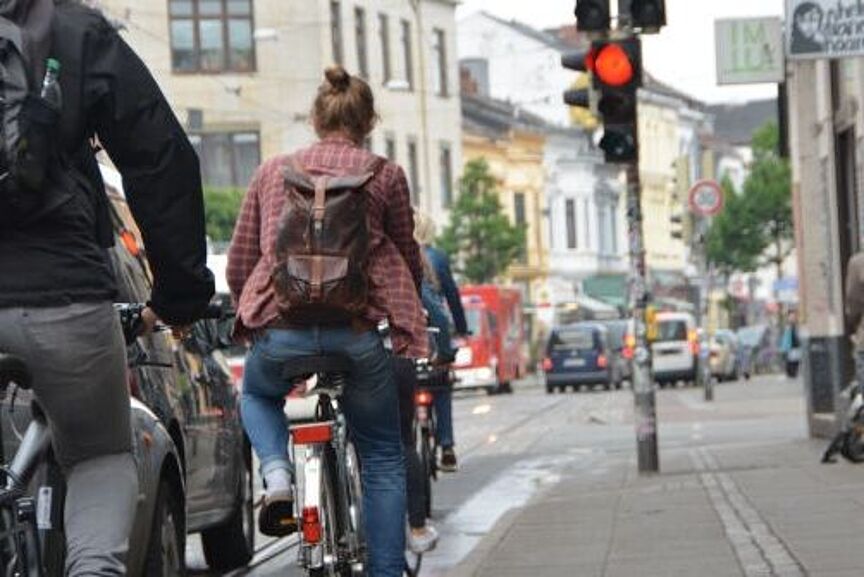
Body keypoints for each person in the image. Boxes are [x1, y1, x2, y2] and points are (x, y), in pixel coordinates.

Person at [0, 1, 214, 575]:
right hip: (63, 295)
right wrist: (179, 295)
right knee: (99, 455)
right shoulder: (75, 30)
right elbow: (160, 159)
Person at [227, 66, 426, 577]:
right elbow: (407, 257)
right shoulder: (386, 175)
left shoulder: (272, 171)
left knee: (254, 394)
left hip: (281, 330)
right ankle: (385, 570)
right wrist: (406, 316)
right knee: (382, 454)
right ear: (368, 121)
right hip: (357, 336)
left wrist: (251, 311)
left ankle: (276, 476)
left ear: (316, 118)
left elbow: (240, 259)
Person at [414, 212, 469, 472]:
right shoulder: (437, 257)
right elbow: (452, 297)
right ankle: (447, 446)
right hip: (435, 339)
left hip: (406, 342)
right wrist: (462, 328)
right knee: (441, 384)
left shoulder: (394, 256)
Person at [780, 310, 801, 378]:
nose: (792, 317)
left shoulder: (796, 325)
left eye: (793, 316)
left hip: (796, 345)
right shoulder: (787, 326)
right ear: (788, 317)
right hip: (790, 346)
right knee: (790, 361)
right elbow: (785, 337)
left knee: (796, 360)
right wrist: (784, 347)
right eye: (791, 316)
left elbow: (798, 335)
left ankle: (794, 373)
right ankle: (790, 374)